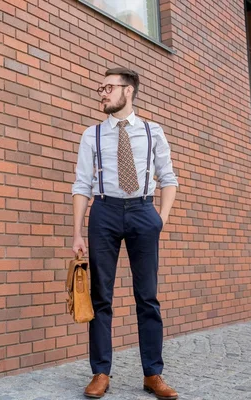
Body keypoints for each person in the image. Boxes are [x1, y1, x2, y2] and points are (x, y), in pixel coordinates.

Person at [72, 68, 178, 400]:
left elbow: (168, 178)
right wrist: (76, 233)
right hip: (103, 211)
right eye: (100, 88)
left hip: (143, 211)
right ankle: (100, 372)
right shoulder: (92, 134)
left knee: (147, 296)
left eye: (107, 88)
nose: (101, 93)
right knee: (101, 296)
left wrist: (159, 219)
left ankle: (153, 374)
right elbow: (81, 184)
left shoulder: (152, 131)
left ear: (128, 91)